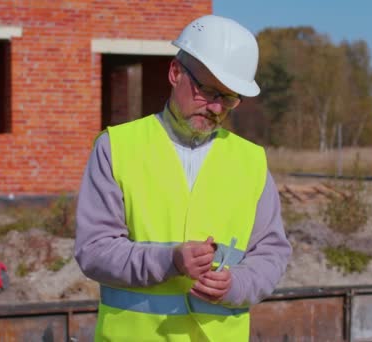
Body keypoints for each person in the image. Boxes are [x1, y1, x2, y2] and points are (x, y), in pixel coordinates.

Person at [75, 14, 291, 341]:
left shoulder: (251, 161)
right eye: (207, 91)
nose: (217, 108)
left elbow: (271, 253)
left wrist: (237, 285)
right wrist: (169, 260)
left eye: (229, 98)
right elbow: (94, 250)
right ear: (175, 73)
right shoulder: (117, 148)